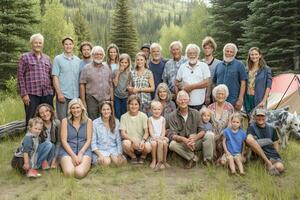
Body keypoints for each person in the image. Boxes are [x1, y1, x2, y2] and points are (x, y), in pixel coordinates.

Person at [168, 90, 214, 169]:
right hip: (183, 143)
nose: (183, 101)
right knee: (172, 144)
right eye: (180, 99)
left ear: (189, 100)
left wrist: (194, 138)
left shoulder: (196, 113)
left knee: (210, 135)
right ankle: (192, 158)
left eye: (185, 99)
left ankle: (207, 160)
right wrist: (184, 140)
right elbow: (172, 134)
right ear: (177, 101)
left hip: (195, 142)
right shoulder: (172, 116)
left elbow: (202, 130)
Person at [17, 33, 54, 127]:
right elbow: (20, 76)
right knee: (31, 119)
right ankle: (30, 140)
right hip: (31, 94)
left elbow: (51, 76)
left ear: (42, 44)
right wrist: (24, 94)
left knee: (48, 118)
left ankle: (48, 139)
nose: (38, 45)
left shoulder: (47, 58)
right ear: (31, 44)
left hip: (47, 93)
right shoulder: (24, 57)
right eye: (36, 43)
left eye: (40, 43)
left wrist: (53, 92)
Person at [59, 98, 92, 179]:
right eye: (73, 108)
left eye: (78, 107)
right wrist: (73, 156)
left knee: (79, 173)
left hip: (84, 150)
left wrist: (80, 153)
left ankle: (85, 165)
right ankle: (65, 163)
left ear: (82, 108)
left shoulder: (89, 121)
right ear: (70, 110)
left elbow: (89, 140)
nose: (75, 110)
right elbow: (63, 140)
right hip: (68, 150)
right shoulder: (65, 121)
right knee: (69, 173)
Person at [247, 108, 284, 175]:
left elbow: (276, 143)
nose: (260, 118)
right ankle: (267, 162)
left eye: (262, 116)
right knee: (249, 140)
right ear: (255, 117)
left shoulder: (272, 128)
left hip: (271, 155)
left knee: (280, 167)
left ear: (266, 117)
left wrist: (275, 155)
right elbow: (249, 139)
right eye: (258, 116)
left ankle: (268, 166)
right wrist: (267, 141)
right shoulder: (251, 128)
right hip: (259, 155)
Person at [80, 46, 113, 120]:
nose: (98, 56)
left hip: (105, 99)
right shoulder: (86, 68)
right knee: (92, 120)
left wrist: (112, 100)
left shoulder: (107, 67)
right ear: (92, 55)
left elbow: (110, 85)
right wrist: (83, 101)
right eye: (96, 54)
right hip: (92, 99)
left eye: (100, 54)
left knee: (105, 119)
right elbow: (82, 84)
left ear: (103, 56)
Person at [52, 36, 81, 120]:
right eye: (66, 44)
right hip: (63, 95)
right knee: (62, 119)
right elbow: (55, 77)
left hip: (75, 96)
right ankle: (62, 133)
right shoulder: (58, 59)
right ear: (63, 46)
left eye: (70, 44)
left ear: (73, 45)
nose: (68, 46)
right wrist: (59, 93)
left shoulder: (78, 60)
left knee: (74, 119)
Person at [213, 43, 247, 111]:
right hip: (219, 100)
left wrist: (240, 99)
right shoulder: (218, 65)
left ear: (234, 54)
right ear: (224, 52)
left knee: (233, 121)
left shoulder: (240, 65)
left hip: (233, 101)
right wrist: (213, 96)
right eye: (227, 51)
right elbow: (214, 82)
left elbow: (243, 83)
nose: (229, 53)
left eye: (231, 52)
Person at [176, 44, 210, 111]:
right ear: (186, 55)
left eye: (194, 53)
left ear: (198, 54)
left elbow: (206, 83)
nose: (192, 55)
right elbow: (177, 82)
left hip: (199, 104)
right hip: (185, 104)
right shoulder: (182, 67)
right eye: (190, 53)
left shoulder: (204, 66)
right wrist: (183, 87)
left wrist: (191, 87)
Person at [91, 101, 126, 166]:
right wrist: (100, 155)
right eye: (103, 109)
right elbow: (93, 142)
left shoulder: (116, 121)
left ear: (111, 111)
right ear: (101, 111)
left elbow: (118, 140)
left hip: (113, 149)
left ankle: (112, 158)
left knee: (120, 162)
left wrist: (119, 154)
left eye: (108, 109)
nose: (106, 111)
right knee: (106, 162)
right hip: (101, 150)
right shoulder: (95, 123)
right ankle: (100, 159)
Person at [120, 95, 152, 164]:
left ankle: (143, 156)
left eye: (136, 104)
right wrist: (132, 140)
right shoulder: (123, 117)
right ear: (128, 105)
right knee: (125, 143)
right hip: (131, 143)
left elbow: (146, 132)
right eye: (131, 104)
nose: (133, 106)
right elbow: (123, 133)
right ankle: (133, 157)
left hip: (141, 143)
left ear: (139, 105)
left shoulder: (143, 116)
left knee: (148, 146)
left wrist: (143, 141)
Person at [208, 84, 234, 160]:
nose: (220, 96)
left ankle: (223, 158)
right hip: (213, 135)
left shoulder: (230, 107)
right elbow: (206, 123)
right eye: (218, 94)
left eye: (222, 94)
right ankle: (211, 158)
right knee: (209, 137)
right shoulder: (210, 107)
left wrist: (221, 134)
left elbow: (231, 124)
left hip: (225, 134)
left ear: (226, 96)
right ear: (215, 95)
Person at [244, 47, 272, 114]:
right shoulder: (246, 69)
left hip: (259, 98)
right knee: (249, 119)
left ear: (260, 55)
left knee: (259, 119)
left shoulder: (266, 69)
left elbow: (268, 86)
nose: (254, 56)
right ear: (250, 56)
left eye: (256, 54)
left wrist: (264, 100)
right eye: (252, 54)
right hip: (247, 98)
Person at [34, 103, 61, 169]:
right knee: (49, 144)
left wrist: (54, 159)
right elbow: (34, 144)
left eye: (47, 111)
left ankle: (49, 163)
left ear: (50, 111)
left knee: (53, 146)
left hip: (51, 149)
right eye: (42, 113)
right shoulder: (37, 125)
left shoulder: (57, 123)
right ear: (39, 115)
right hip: (39, 150)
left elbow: (58, 142)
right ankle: (36, 165)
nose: (45, 114)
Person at [148, 101, 170, 170]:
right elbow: (151, 130)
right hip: (153, 137)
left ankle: (164, 161)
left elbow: (163, 130)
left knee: (164, 143)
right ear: (151, 110)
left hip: (161, 136)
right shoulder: (150, 119)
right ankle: (154, 160)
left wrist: (162, 137)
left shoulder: (163, 119)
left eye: (158, 109)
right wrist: (155, 137)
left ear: (161, 110)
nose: (156, 111)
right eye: (154, 109)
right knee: (154, 144)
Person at [201, 36, 221, 105]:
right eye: (205, 48)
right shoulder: (200, 63)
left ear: (212, 49)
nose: (207, 50)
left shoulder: (218, 63)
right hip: (201, 94)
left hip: (214, 95)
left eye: (209, 48)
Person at [113, 53, 131, 119]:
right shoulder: (115, 71)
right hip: (117, 96)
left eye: (126, 62)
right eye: (122, 62)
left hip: (125, 96)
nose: (123, 64)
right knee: (117, 113)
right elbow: (115, 84)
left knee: (124, 113)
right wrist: (119, 73)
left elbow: (130, 84)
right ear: (119, 62)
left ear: (128, 63)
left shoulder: (130, 73)